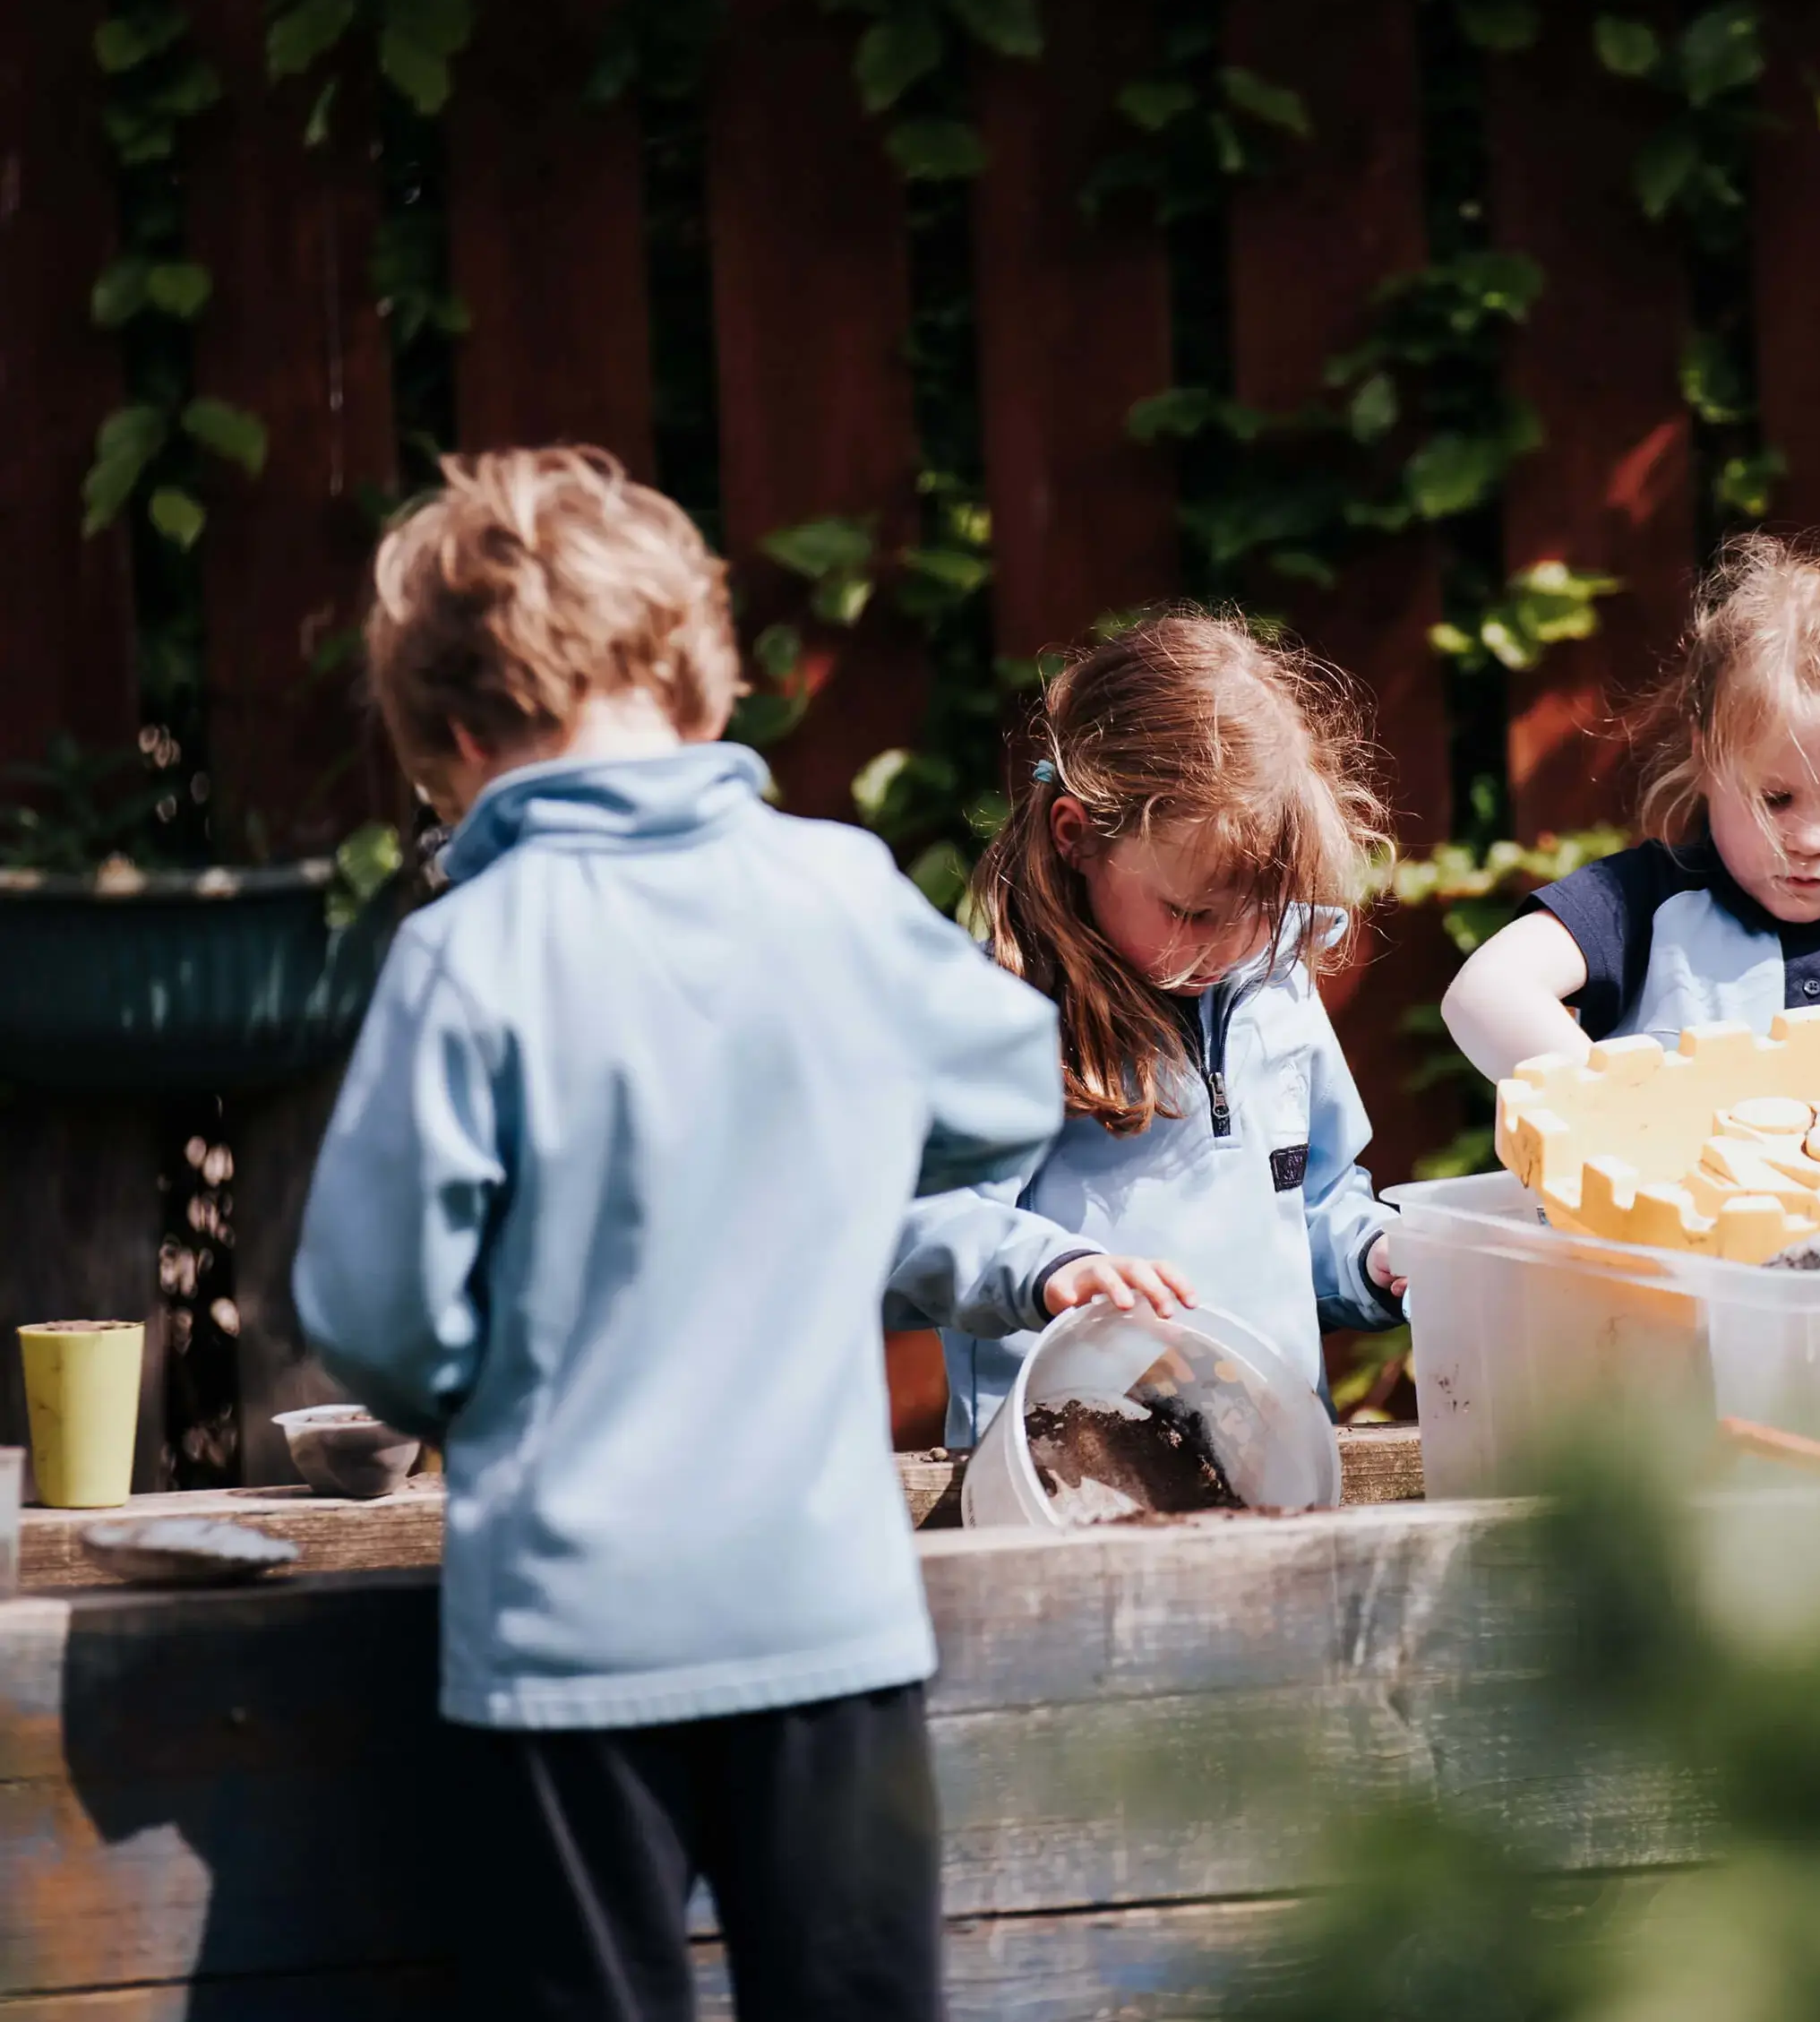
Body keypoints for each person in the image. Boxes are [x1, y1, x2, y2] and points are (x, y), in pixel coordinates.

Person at [291, 446, 1063, 2022]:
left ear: (450, 741)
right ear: (709, 691)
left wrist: (480, 1373)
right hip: (829, 1619)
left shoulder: (466, 953)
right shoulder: (840, 892)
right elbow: (1010, 1084)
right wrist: (832, 1174)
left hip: (567, 1646)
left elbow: (375, 1316)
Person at [884, 606, 1408, 1447]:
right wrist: (1051, 1271)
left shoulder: (1276, 988)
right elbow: (917, 1221)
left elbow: (1312, 1208)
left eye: (1259, 911)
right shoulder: (1000, 1017)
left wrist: (1377, 1257)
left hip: (1270, 1475)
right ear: (1077, 838)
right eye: (1193, 911)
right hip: (1070, 1480)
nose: (1230, 946)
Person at [1442, 534, 1820, 1084]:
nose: (1807, 838)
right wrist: (1625, 1118)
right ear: (1705, 757)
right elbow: (1485, 994)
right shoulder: (1642, 905)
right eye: (1774, 799)